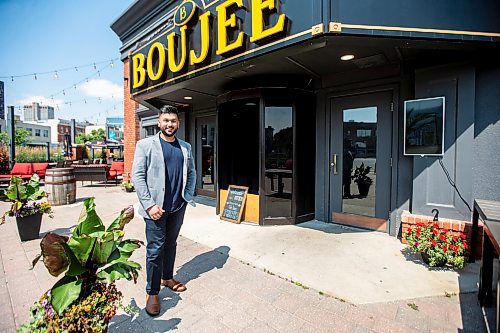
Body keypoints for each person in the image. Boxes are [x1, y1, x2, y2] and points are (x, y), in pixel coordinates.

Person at [132, 105, 196, 317]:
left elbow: (192, 172)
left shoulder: (185, 147)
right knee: (155, 249)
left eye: (173, 121)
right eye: (166, 120)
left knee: (171, 244)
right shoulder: (145, 145)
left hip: (178, 206)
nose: (170, 124)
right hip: (155, 210)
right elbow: (138, 177)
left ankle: (167, 277)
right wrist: (150, 205)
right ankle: (152, 292)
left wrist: (187, 195)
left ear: (178, 123)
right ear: (159, 123)